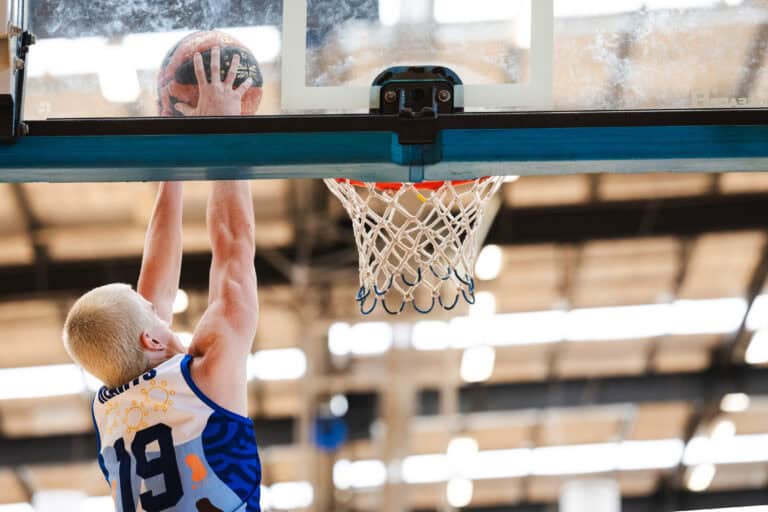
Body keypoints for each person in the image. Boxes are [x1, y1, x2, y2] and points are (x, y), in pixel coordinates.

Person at [62, 41, 261, 512]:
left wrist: (178, 152)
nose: (153, 298)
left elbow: (218, 260)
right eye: (148, 307)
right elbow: (231, 242)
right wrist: (220, 127)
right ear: (150, 338)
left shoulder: (121, 409)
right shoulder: (115, 409)